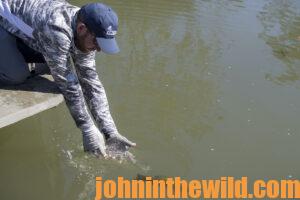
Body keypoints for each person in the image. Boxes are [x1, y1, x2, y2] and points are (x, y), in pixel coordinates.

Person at [0, 0, 136, 157]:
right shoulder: (57, 29)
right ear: (81, 29)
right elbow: (68, 85)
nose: (99, 50)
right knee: (17, 75)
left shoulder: (87, 23)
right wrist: (87, 128)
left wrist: (110, 132)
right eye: (97, 43)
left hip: (34, 24)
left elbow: (90, 81)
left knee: (54, 64)